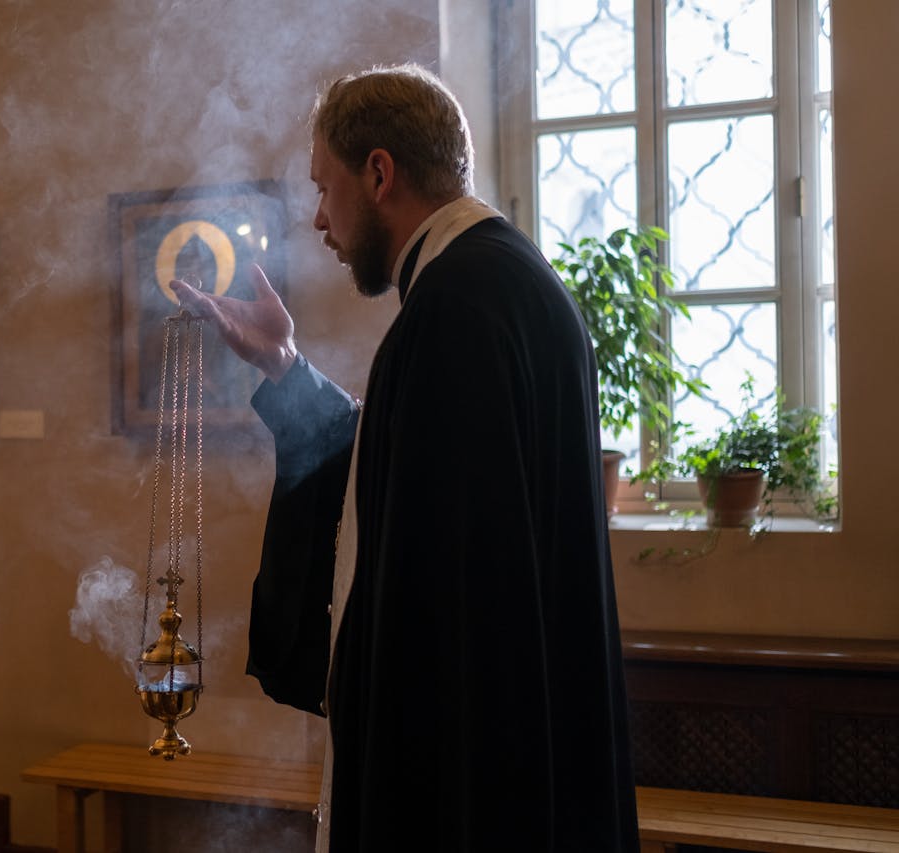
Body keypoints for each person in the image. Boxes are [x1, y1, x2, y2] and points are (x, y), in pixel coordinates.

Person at [171, 64, 639, 852]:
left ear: (379, 173)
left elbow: (434, 587)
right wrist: (285, 367)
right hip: (533, 746)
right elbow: (398, 476)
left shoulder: (453, 310)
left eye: (326, 187)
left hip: (471, 778)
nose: (320, 219)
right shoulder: (507, 284)